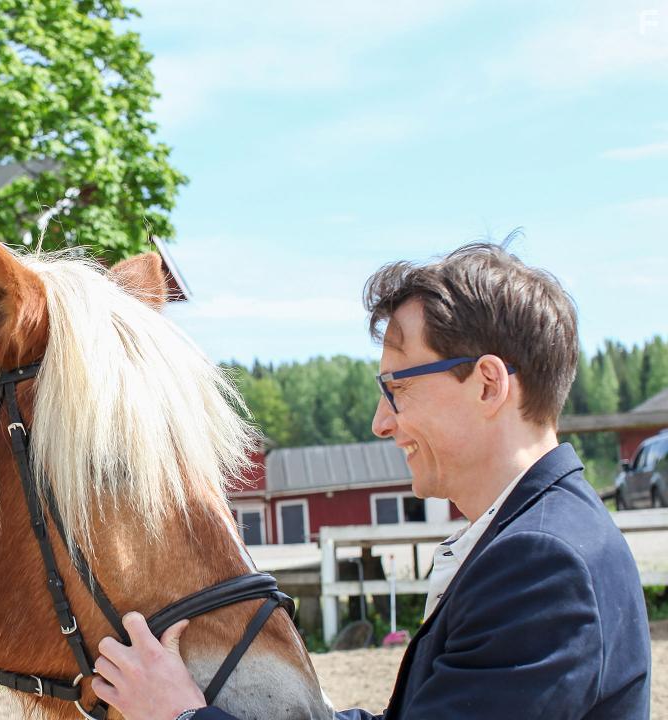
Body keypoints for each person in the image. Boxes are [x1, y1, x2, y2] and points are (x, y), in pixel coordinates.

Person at [91, 244, 652, 719]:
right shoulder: (541, 535)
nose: (381, 422)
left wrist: (183, 716)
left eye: (397, 389)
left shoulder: (540, 563)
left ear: (486, 385)